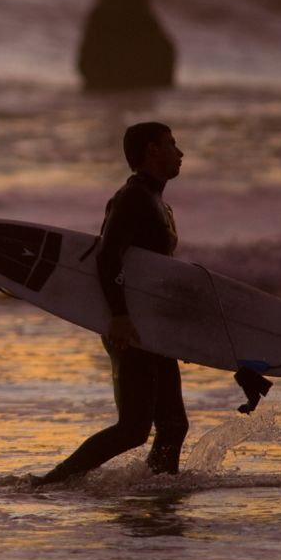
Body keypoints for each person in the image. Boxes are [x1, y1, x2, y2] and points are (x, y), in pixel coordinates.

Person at [34, 121, 187, 485]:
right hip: (129, 325)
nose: (180, 153)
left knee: (174, 424)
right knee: (134, 428)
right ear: (151, 150)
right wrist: (118, 314)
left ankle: (158, 489)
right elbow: (107, 257)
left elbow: (149, 273)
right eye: (172, 145)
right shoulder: (133, 197)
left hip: (150, 326)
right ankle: (52, 483)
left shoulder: (157, 202)